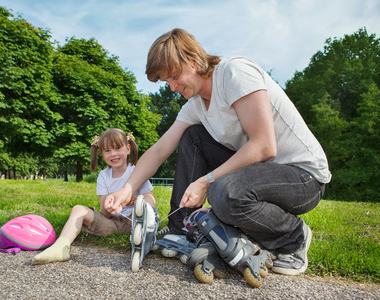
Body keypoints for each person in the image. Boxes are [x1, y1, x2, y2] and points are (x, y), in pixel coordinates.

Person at [104, 28, 331, 276]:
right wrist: (127, 188)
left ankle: (293, 236)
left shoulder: (235, 73)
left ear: (193, 60)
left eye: (174, 76)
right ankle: (181, 228)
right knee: (192, 137)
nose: (171, 87)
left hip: (303, 177)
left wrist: (207, 180)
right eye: (166, 81)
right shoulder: (195, 106)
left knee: (222, 192)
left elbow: (264, 145)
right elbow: (160, 150)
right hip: (260, 173)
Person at [32, 128, 156, 265]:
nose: (113, 154)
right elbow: (104, 214)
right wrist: (110, 206)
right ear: (102, 154)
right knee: (78, 209)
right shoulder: (103, 176)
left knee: (149, 196)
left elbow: (147, 196)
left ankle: (146, 231)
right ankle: (61, 247)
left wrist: (135, 200)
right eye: (107, 150)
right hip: (112, 224)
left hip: (134, 221)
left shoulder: (137, 171)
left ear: (127, 149)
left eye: (117, 148)